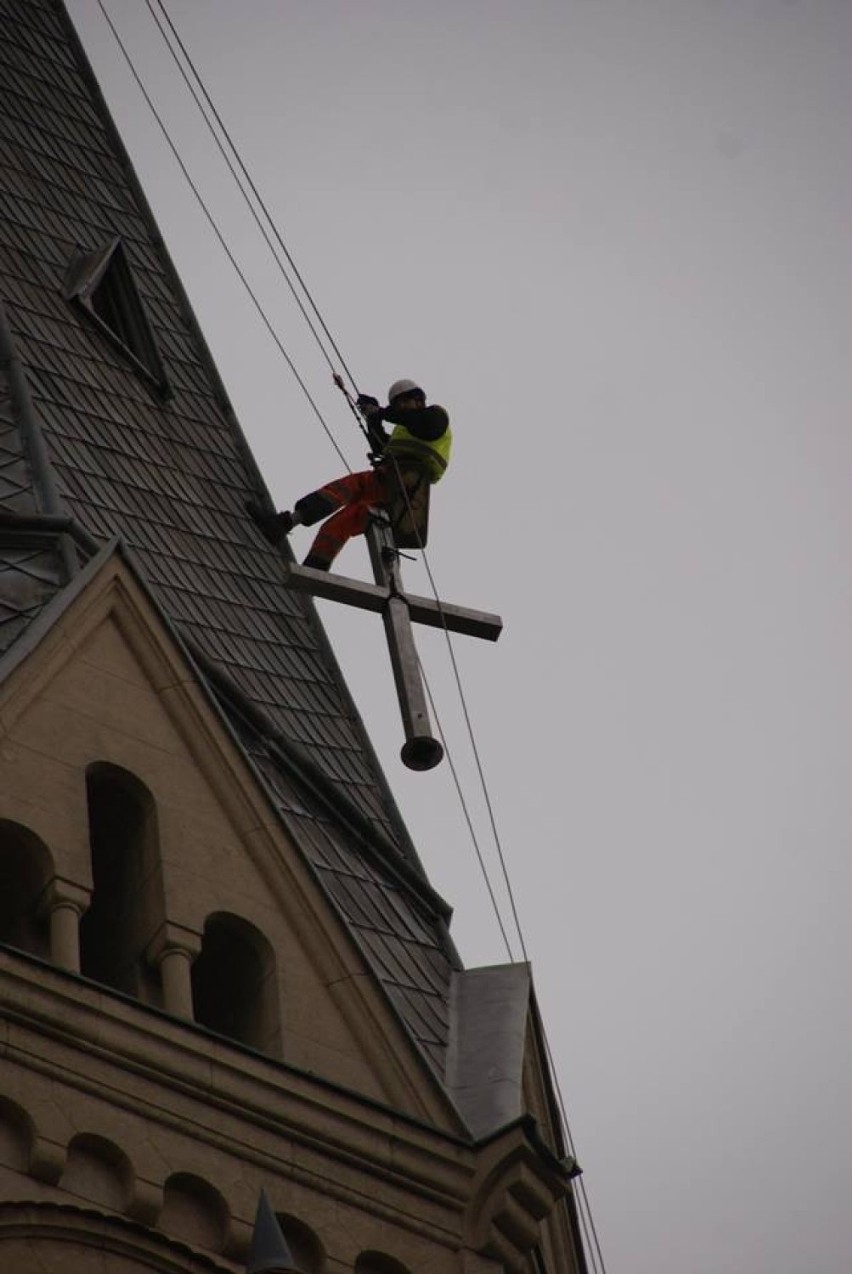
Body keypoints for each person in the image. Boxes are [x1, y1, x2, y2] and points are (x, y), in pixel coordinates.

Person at [246, 379, 451, 571]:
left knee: (351, 486)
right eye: (396, 405)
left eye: (403, 403)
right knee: (340, 523)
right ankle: (312, 568)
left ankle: (285, 524)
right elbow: (382, 447)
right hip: (396, 494)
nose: (399, 409)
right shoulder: (404, 429)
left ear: (419, 400)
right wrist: (374, 421)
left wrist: (381, 412)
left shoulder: (436, 416)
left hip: (406, 484)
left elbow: (426, 426)